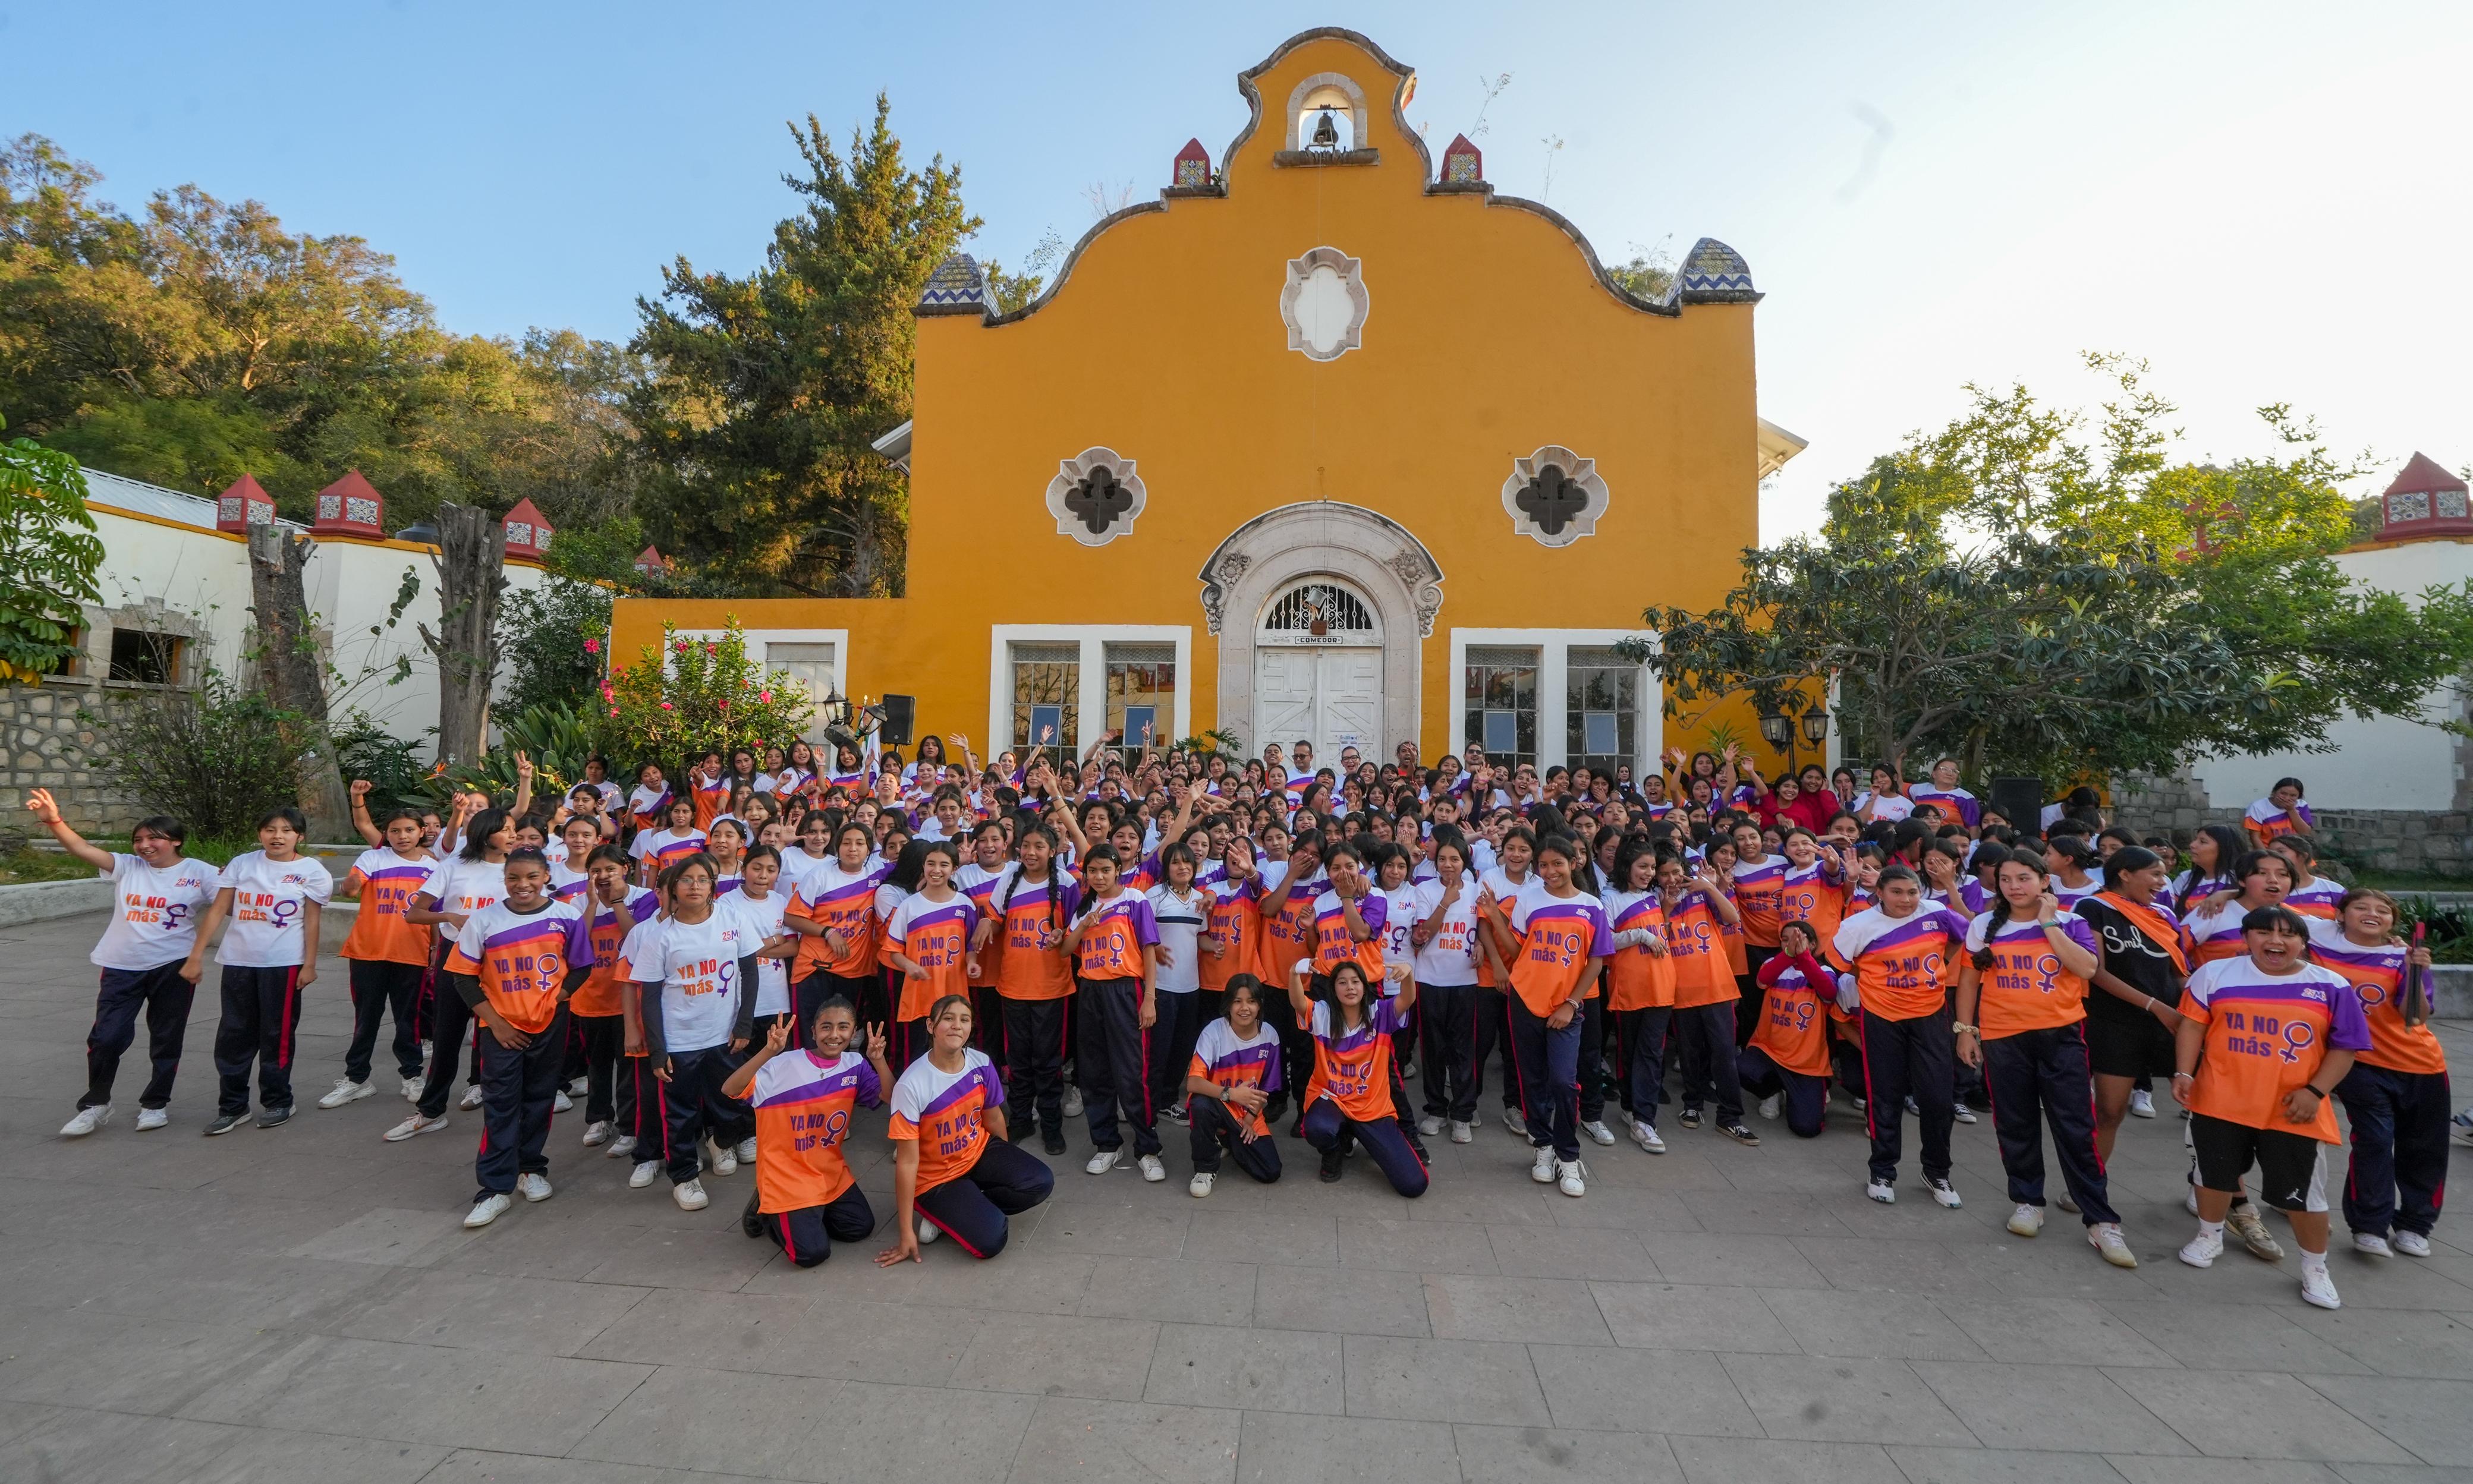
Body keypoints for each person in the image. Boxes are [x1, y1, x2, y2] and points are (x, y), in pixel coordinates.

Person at [2173, 905, 2370, 1310]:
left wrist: (2315, 1092)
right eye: (2264, 932)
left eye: (2287, 934)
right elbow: (2193, 1024)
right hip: (2219, 1101)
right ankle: (2209, 1235)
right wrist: (2185, 1073)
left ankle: (2316, 1267)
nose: (2275, 941)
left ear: (2303, 941)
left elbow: (2345, 1047)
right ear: (2246, 937)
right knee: (2213, 1176)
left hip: (2293, 1110)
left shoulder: (2331, 985)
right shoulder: (2214, 974)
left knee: (2305, 1196)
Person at [1952, 854, 2137, 1268]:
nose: (2015, 886)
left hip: (2061, 1036)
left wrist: (2049, 923)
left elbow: (2087, 968)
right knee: (2014, 1123)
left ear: (2044, 880)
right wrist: (1966, 1031)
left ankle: (2101, 1219)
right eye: (2006, 879)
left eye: (2024, 878)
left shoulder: (2070, 921)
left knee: (2076, 1126)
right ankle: (2027, 1200)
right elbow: (1969, 979)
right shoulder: (1983, 926)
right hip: (2003, 1038)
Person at [29, 790, 221, 1136]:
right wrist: (53, 821)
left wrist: (197, 957)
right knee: (107, 1037)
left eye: (153, 839)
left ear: (176, 841)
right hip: (121, 965)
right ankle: (95, 1104)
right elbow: (82, 849)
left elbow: (228, 903)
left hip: (173, 966)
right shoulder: (128, 866)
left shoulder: (201, 873)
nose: (144, 845)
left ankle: (155, 1104)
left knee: (166, 1036)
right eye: (138, 840)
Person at [442, 849, 592, 1228]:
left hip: (549, 1025)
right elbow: (462, 976)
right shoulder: (484, 920)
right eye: (514, 878)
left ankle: (531, 1168)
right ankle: (494, 1189)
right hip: (501, 1029)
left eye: (531, 877)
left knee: (540, 1098)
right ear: (505, 880)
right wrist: (497, 1023)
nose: (522, 885)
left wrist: (558, 998)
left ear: (546, 876)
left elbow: (582, 965)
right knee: (501, 1104)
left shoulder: (566, 916)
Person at [2309, 890, 2445, 1258]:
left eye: (2383, 911)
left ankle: (2416, 1226)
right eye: (2362, 908)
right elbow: (2270, 905)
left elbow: (2415, 1017)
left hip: (2422, 1064)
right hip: (2361, 1065)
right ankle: (2369, 1226)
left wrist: (2418, 972)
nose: (2372, 914)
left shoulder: (2403, 956)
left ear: (2392, 922)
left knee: (2424, 1149)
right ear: (2341, 915)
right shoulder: (2319, 951)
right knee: (2374, 1140)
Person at [184, 806, 333, 1135]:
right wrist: (196, 956)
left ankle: (279, 1100)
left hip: (283, 963)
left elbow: (312, 919)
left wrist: (309, 965)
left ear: (300, 836)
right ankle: (233, 1107)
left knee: (275, 1035)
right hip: (238, 961)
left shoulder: (312, 871)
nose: (277, 836)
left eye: (286, 830)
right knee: (233, 1034)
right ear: (259, 834)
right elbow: (219, 908)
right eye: (269, 829)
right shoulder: (242, 863)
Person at [624, 853, 761, 1209]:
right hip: (680, 1041)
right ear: (673, 889)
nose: (695, 886)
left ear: (713, 886)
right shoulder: (659, 937)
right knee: (680, 1114)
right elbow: (649, 998)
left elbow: (750, 971)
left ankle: (722, 1141)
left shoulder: (733, 918)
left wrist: (745, 1022)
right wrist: (658, 1049)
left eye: (703, 879)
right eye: (687, 880)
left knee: (731, 1103)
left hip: (725, 1035)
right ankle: (685, 1177)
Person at [877, 995, 1055, 1262]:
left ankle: (963, 1210)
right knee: (991, 1241)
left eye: (964, 1020)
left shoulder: (981, 1063)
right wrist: (906, 1234)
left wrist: (1006, 1168)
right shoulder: (911, 1084)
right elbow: (907, 1161)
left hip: (978, 1152)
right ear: (930, 1026)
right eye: (948, 1019)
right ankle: (941, 1214)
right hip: (937, 1180)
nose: (956, 1026)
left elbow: (993, 1119)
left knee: (1040, 1181)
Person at [1481, 836, 1612, 1197]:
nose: (1550, 871)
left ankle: (1568, 1156)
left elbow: (1597, 962)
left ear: (1574, 863)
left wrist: (1571, 1003)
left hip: (1566, 1008)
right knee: (1533, 1079)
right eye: (1544, 865)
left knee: (1564, 1082)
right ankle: (1544, 1146)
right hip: (1525, 1001)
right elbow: (1518, 951)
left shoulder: (1592, 907)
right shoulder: (1528, 901)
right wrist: (1495, 917)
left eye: (1558, 863)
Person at [1831, 865, 1969, 1206]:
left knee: (1938, 1099)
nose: (1907, 900)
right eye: (1897, 893)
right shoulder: (1857, 926)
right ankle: (1882, 1170)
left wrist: (1940, 961)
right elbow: (1840, 963)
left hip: (1931, 1017)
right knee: (1885, 1096)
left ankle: (1937, 1172)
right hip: (1882, 1019)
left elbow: (1963, 936)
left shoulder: (1937, 913)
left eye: (1913, 892)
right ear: (1880, 892)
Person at [725, 994, 895, 1266]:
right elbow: (730, 1089)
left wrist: (878, 1061)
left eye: (843, 1027)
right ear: (814, 1032)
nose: (834, 1035)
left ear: (853, 1033)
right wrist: (768, 1051)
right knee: (811, 1254)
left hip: (830, 1173)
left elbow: (891, 1098)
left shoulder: (856, 1066)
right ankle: (767, 1208)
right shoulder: (782, 1065)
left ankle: (807, 1212)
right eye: (826, 1027)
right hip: (786, 1178)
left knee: (859, 1228)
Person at [389, 807, 514, 1139]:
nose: (513, 835)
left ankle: (487, 1094)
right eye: (506, 829)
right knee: (447, 1034)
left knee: (495, 1033)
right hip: (456, 956)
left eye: (515, 829)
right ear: (486, 834)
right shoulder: (452, 867)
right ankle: (431, 1110)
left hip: (502, 962)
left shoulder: (519, 872)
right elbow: (414, 914)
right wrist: (450, 916)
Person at [2078, 847, 2189, 1163]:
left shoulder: (2164, 915)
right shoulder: (2093, 907)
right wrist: (2154, 1006)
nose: (2162, 882)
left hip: (2171, 1021)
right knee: (2110, 1113)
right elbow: (2095, 971)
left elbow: (2179, 972)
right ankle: (2090, 1187)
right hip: (2115, 1022)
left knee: (2204, 1107)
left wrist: (2194, 1013)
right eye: (2155, 874)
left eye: (2164, 875)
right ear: (2125, 874)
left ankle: (2219, 1192)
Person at [1062, 846, 1164, 1180]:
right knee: (1094, 1072)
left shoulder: (1135, 899)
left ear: (1118, 869)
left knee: (1133, 1072)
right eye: (1093, 871)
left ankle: (1148, 1148)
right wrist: (1083, 925)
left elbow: (1149, 948)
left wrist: (1149, 998)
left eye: (1106, 870)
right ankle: (1107, 1144)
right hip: (1091, 991)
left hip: (1126, 990)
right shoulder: (1084, 907)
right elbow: (1065, 949)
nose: (1099, 877)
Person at [325, 803, 436, 1108]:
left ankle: (412, 1076)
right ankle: (356, 1079)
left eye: (409, 830)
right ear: (386, 834)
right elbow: (351, 890)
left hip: (411, 954)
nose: (402, 836)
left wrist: (435, 950)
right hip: (367, 952)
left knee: (407, 1021)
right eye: (395, 830)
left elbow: (434, 914)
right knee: (366, 1019)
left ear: (422, 832)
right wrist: (348, 885)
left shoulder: (434, 868)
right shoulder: (372, 858)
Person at [1285, 960, 1427, 1194]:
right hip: (1332, 1099)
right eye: (1342, 982)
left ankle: (1358, 1135)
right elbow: (1298, 1003)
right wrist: (1294, 972)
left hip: (1372, 1108)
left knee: (1414, 1185)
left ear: (1364, 987)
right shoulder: (1323, 1014)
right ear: (1334, 989)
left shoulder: (1380, 1013)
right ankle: (1334, 1151)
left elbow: (1407, 999)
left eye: (1355, 982)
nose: (1350, 987)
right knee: (1317, 1128)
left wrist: (1409, 974)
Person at [992, 823, 1078, 1154]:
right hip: (1013, 987)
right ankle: (1022, 1120)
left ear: (1053, 850)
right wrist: (986, 925)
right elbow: (995, 917)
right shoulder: (1010, 880)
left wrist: (1063, 935)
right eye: (1026, 845)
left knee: (1048, 1061)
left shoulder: (1067, 884)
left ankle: (1052, 1126)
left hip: (1052, 990)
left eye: (1039, 846)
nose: (1030, 852)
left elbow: (1075, 928)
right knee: (1019, 1060)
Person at [571, 844, 652, 1151]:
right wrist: (593, 905)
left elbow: (637, 938)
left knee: (630, 1069)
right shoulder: (579, 903)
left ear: (626, 869)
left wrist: (617, 902)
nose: (603, 876)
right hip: (591, 999)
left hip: (629, 999)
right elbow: (577, 945)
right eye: (596, 871)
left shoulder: (644, 898)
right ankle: (599, 1118)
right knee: (597, 1065)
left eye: (610, 869)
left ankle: (630, 1128)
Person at [1408, 834, 1484, 1143]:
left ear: (1464, 861)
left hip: (1465, 982)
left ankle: (1463, 1114)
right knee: (1434, 1050)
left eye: (1454, 859)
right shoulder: (1424, 890)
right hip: (1430, 981)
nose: (1448, 865)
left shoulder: (1478, 891)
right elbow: (1422, 934)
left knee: (1464, 1049)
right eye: (1442, 859)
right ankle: (1436, 1110)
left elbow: (1483, 927)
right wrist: (1445, 901)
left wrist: (1480, 943)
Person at [1602, 840, 1676, 1153]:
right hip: (1629, 987)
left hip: (1662, 986)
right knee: (1630, 1052)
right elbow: (1605, 941)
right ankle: (1632, 1108)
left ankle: (1645, 1120)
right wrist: (1641, 936)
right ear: (1626, 867)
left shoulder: (1654, 897)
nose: (1649, 873)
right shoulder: (1608, 898)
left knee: (1650, 1054)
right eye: (1643, 867)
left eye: (1652, 868)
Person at [1736, 919, 1839, 1139]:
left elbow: (1829, 992)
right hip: (1769, 1050)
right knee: (1739, 1068)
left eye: (1797, 939)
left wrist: (1803, 958)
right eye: (1785, 940)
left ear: (1812, 944)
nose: (1790, 943)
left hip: (1806, 1062)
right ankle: (1772, 1092)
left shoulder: (1825, 970)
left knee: (1806, 1129)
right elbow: (1763, 980)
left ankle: (1802, 1094)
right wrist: (1790, 954)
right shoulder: (1775, 963)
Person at [882, 840, 978, 1069]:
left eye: (944, 865)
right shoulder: (909, 906)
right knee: (915, 1060)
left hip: (953, 995)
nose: (936, 870)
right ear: (923, 867)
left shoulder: (965, 906)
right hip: (919, 997)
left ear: (954, 869)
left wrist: (973, 963)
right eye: (930, 864)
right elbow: (893, 951)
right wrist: (910, 966)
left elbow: (971, 947)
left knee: (952, 1057)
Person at [1185, 974, 1283, 1196]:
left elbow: (1266, 1088)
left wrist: (1249, 1119)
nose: (1244, 1008)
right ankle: (1205, 1168)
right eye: (1237, 1001)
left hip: (1248, 1113)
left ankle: (1227, 1138)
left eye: (1251, 1001)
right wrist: (1230, 1094)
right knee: (1200, 1104)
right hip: (1218, 1104)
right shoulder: (1213, 1031)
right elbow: (1193, 1082)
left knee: (1271, 1171)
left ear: (1260, 1005)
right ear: (1228, 1004)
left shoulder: (1270, 1035)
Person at [1146, 845, 1210, 1123]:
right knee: (1158, 1049)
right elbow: (1140, 934)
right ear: (1166, 868)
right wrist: (1155, 947)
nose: (1183, 867)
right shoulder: (1154, 896)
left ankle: (1168, 1100)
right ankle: (1149, 1102)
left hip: (1190, 987)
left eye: (1188, 862)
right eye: (1176, 863)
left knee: (1182, 1048)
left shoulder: (1200, 900)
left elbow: (1199, 936)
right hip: (1161, 987)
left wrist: (1215, 946)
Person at [2243, 777, 2314, 844]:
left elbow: (2305, 833)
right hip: (2269, 851)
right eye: (2283, 794)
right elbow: (2255, 838)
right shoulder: (2258, 807)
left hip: (2295, 850)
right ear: (2274, 792)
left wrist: (2291, 810)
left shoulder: (2301, 805)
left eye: (2293, 796)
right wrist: (2267, 856)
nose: (2287, 798)